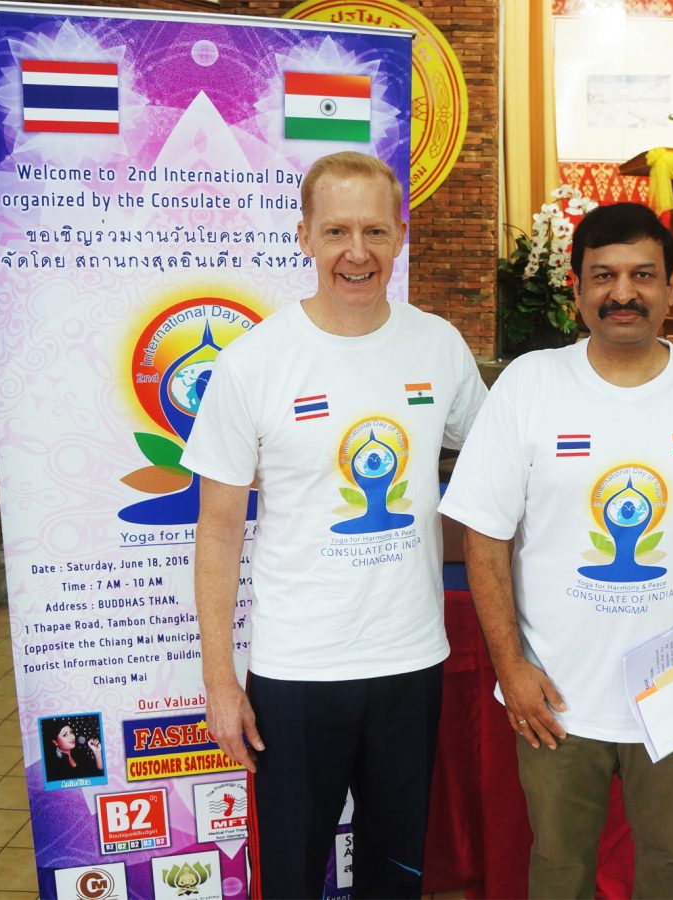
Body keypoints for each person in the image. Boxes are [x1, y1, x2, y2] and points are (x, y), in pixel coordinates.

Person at [440, 202, 673, 898]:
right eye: (604, 275)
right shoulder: (530, 384)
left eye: (643, 274)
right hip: (555, 694)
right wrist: (512, 667)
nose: (623, 293)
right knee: (559, 867)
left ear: (671, 288)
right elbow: (484, 535)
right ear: (575, 288)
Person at [181, 151, 486, 899]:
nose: (358, 252)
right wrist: (220, 682)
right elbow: (217, 530)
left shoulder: (438, 345)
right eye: (337, 231)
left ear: (400, 235)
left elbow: (496, 460)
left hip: (411, 660)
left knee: (396, 872)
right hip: (298, 671)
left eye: (375, 231)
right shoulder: (254, 364)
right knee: (291, 873)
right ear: (305, 237)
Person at [41, 716, 103, 783]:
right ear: (55, 742)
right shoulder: (52, 764)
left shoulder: (80, 754)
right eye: (65, 735)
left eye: (71, 732)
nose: (72, 737)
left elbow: (98, 775)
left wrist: (97, 752)